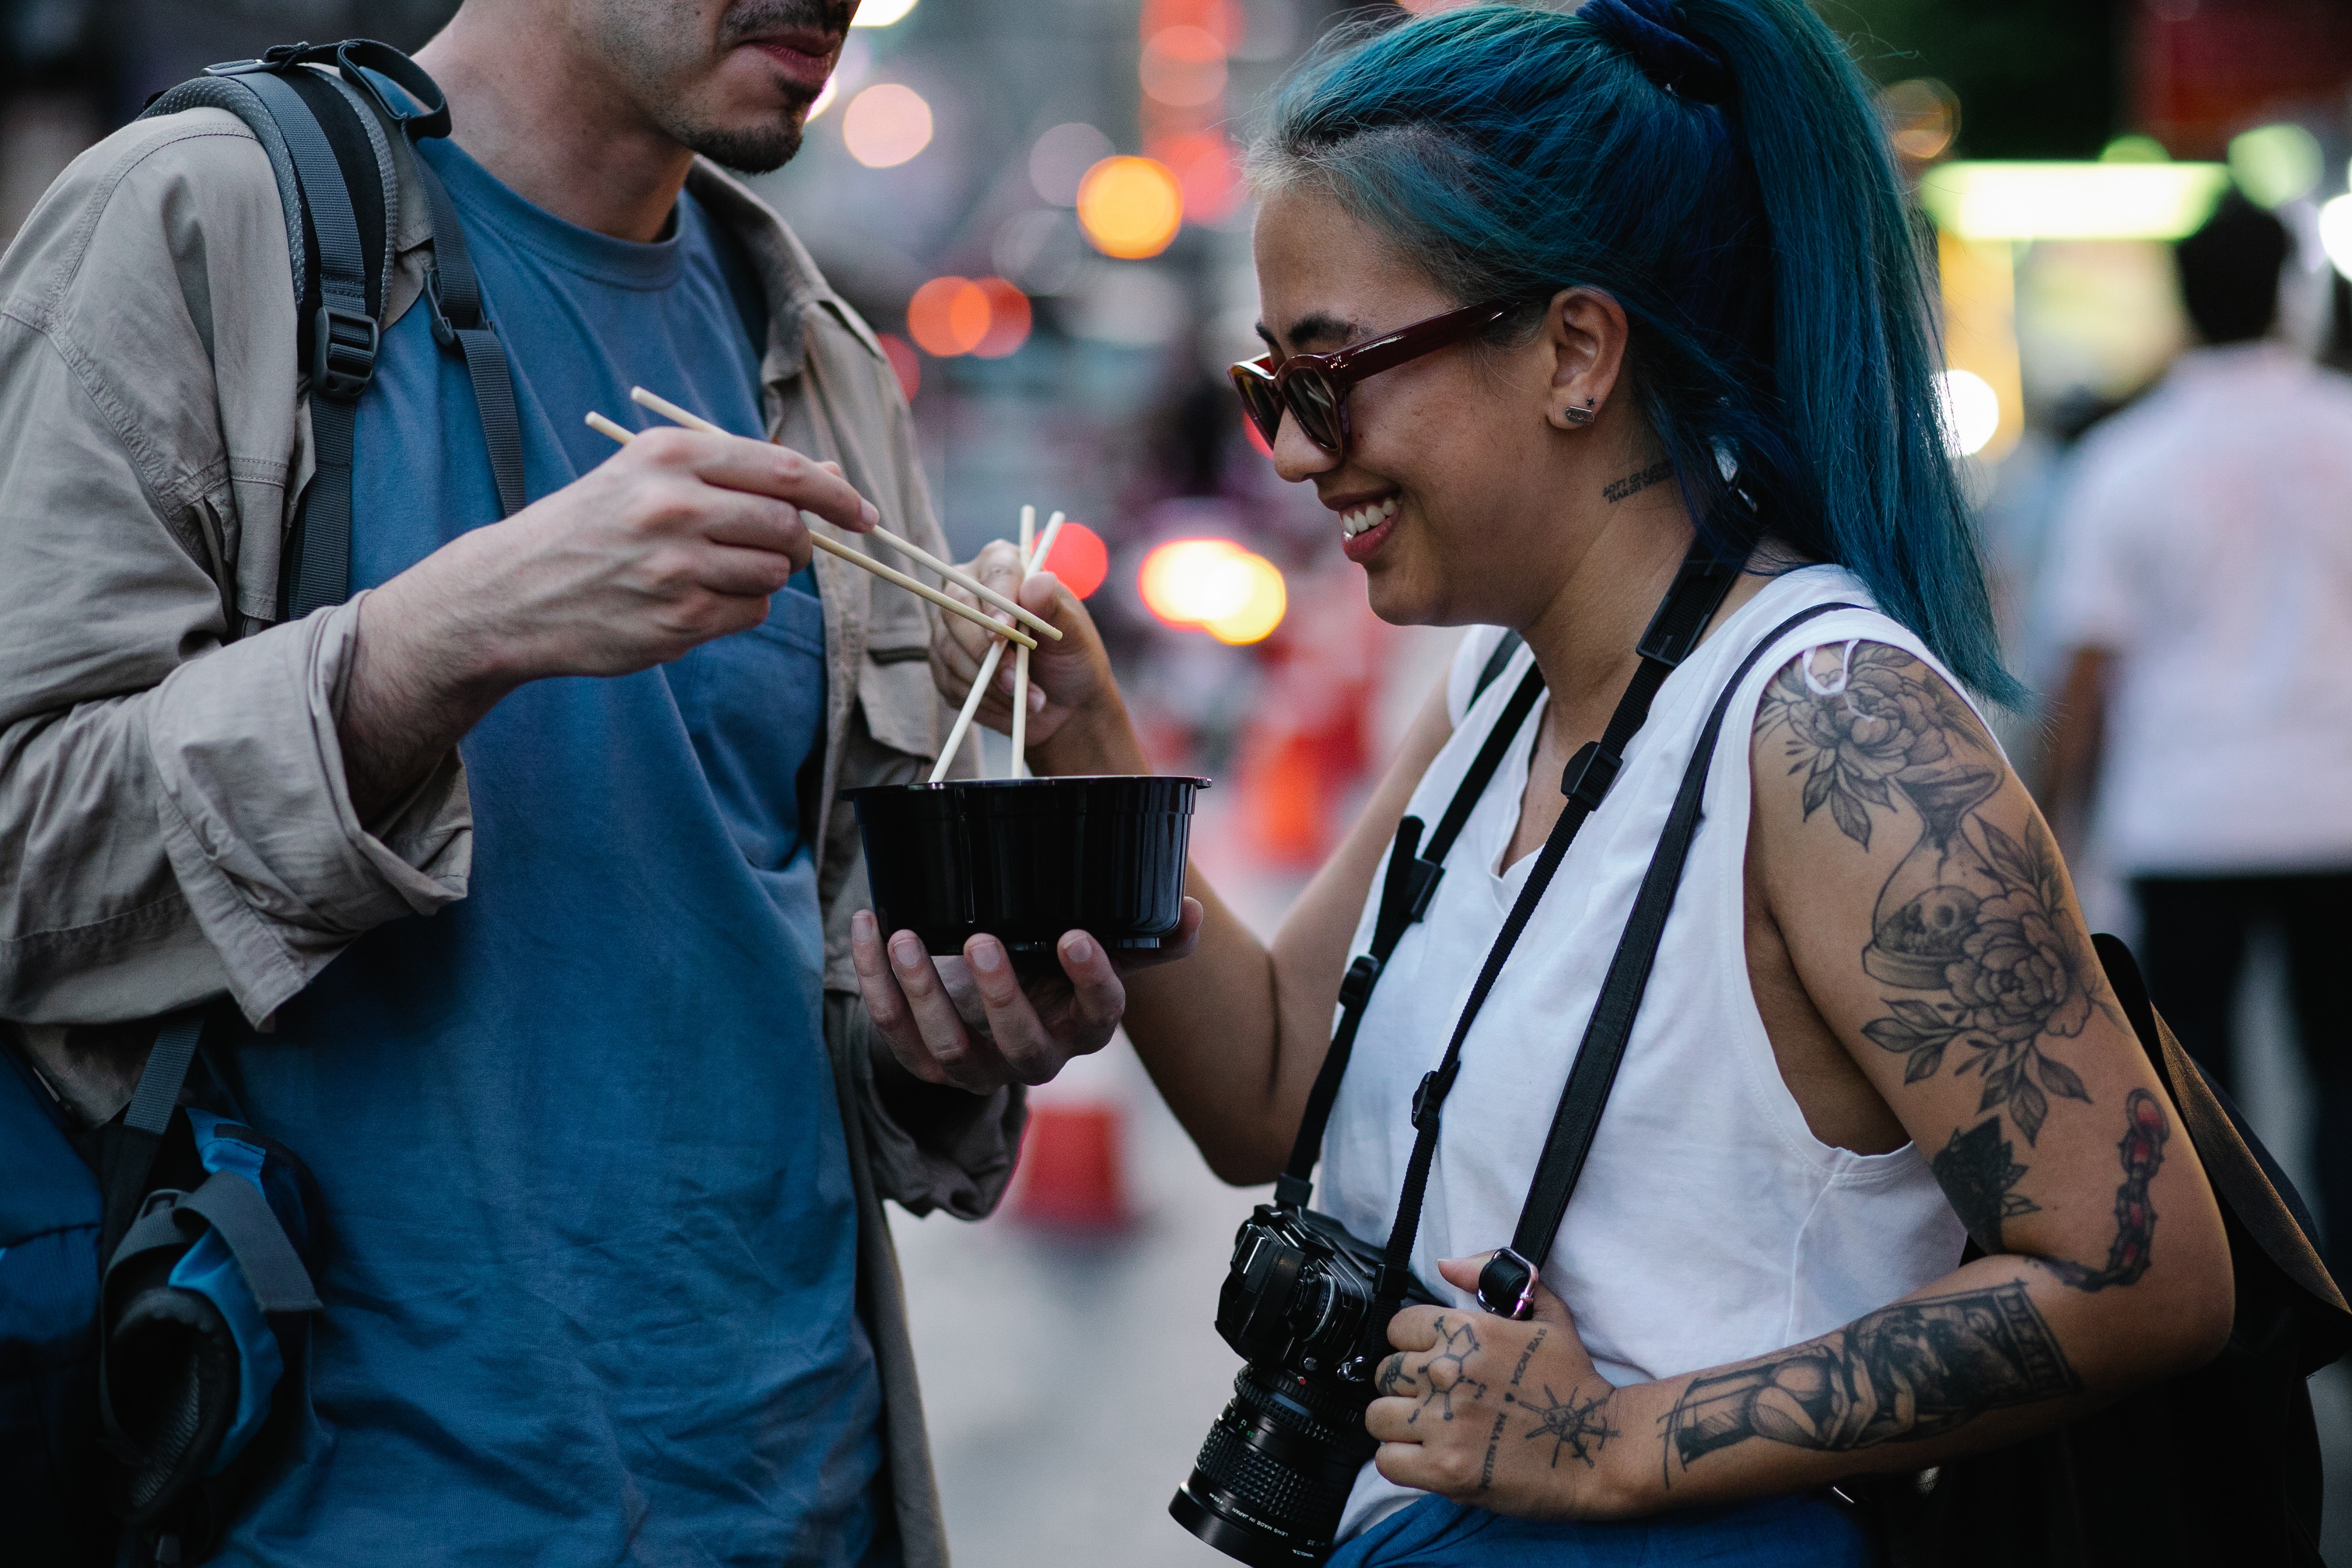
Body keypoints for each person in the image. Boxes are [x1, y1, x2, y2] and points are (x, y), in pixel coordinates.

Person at [855, 1, 2234, 1561]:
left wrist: (1623, 1441)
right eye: (1269, 390)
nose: (1298, 454)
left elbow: (2141, 1272)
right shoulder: (1502, 689)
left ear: (1576, 351)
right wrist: (1092, 751)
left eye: (1332, 374)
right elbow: (1265, 1085)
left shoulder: (1837, 726)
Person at [0, 1, 1072, 1561]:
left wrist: (953, 1040)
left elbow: (797, 995)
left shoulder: (817, 354)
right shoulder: (200, 224)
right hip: (336, 1517)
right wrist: (437, 644)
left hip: (801, 1501)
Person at [2039, 191, 2352, 1285]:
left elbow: (2087, 673)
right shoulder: (2346, 431)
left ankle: (2239, 1295)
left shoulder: (2128, 459)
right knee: (2344, 1071)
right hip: (2337, 807)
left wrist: (2053, 838)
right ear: (2285, 294)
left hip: (2186, 819)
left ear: (2183, 298)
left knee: (2196, 1087)